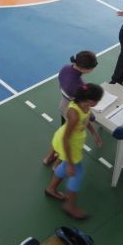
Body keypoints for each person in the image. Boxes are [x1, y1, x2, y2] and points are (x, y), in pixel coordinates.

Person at [44, 83, 103, 220]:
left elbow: (86, 120)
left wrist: (94, 133)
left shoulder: (85, 106)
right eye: (97, 100)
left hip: (74, 142)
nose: (98, 102)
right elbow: (66, 139)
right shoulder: (74, 114)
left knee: (64, 167)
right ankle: (69, 206)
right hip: (68, 144)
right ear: (89, 100)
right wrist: (70, 163)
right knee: (77, 174)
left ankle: (51, 189)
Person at [42, 51, 98, 165]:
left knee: (62, 133)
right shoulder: (79, 86)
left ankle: (48, 157)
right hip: (72, 113)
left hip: (63, 104)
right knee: (67, 138)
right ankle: (58, 162)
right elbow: (82, 106)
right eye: (92, 68)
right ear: (84, 69)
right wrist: (91, 117)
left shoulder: (65, 68)